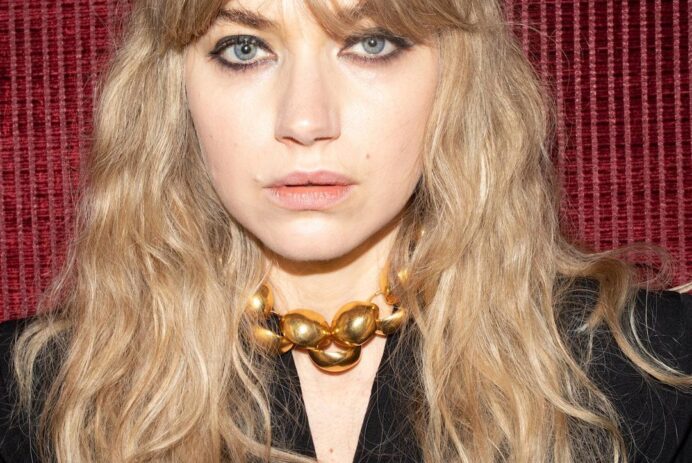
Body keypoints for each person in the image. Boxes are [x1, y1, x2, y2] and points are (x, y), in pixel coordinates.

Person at [0, 0, 690, 462]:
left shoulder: (649, 371)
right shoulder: (32, 399)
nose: (305, 120)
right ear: (173, 90)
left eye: (370, 43)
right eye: (244, 47)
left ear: (459, 78)